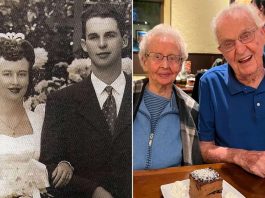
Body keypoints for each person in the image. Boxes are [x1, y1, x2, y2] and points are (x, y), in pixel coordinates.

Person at [39, 3, 131, 198]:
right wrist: (92, 190)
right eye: (93, 37)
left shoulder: (141, 94)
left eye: (110, 35)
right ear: (84, 45)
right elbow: (48, 167)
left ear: (124, 40)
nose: (102, 44)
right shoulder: (61, 102)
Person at [198, 3, 265, 178]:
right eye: (228, 44)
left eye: (246, 35)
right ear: (222, 52)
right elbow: (205, 149)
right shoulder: (210, 83)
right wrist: (242, 157)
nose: (240, 50)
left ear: (262, 33)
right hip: (231, 185)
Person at [133, 24, 202, 170]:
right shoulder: (122, 97)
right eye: (157, 57)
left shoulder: (192, 110)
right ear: (144, 61)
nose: (165, 65)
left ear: (181, 64)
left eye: (173, 58)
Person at [0, 33, 49, 197]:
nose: (15, 82)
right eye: (7, 74)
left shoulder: (40, 120)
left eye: (21, 74)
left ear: (29, 77)